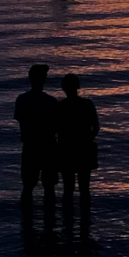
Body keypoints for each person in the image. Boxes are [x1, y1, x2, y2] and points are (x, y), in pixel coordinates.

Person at [14, 63, 60, 203]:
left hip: (30, 146)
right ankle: (49, 219)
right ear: (43, 80)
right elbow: (57, 126)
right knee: (49, 187)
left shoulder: (22, 100)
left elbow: (20, 120)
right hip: (48, 147)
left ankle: (26, 220)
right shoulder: (51, 102)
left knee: (28, 186)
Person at [56, 72, 100, 201]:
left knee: (68, 188)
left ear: (64, 88)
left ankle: (67, 218)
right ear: (78, 87)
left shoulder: (60, 107)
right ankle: (85, 218)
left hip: (66, 149)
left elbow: (54, 129)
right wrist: (87, 140)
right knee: (84, 188)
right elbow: (96, 127)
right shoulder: (87, 104)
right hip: (83, 149)